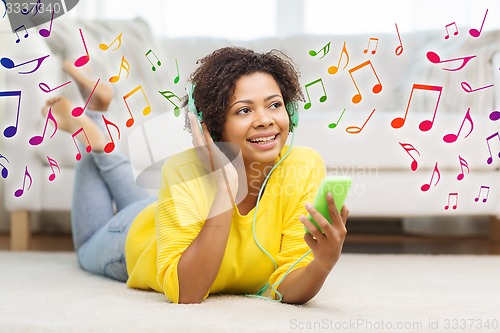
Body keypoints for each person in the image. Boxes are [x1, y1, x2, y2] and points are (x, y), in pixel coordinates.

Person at [46, 47, 349, 304]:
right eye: (244, 111)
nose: (265, 120)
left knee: (140, 200)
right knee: (86, 250)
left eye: (275, 105)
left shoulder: (303, 165)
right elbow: (187, 293)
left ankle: (98, 111)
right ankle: (95, 141)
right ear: (211, 124)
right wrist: (226, 186)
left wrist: (321, 263)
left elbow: (288, 283)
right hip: (132, 237)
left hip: (162, 208)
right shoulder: (182, 170)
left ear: (291, 112)